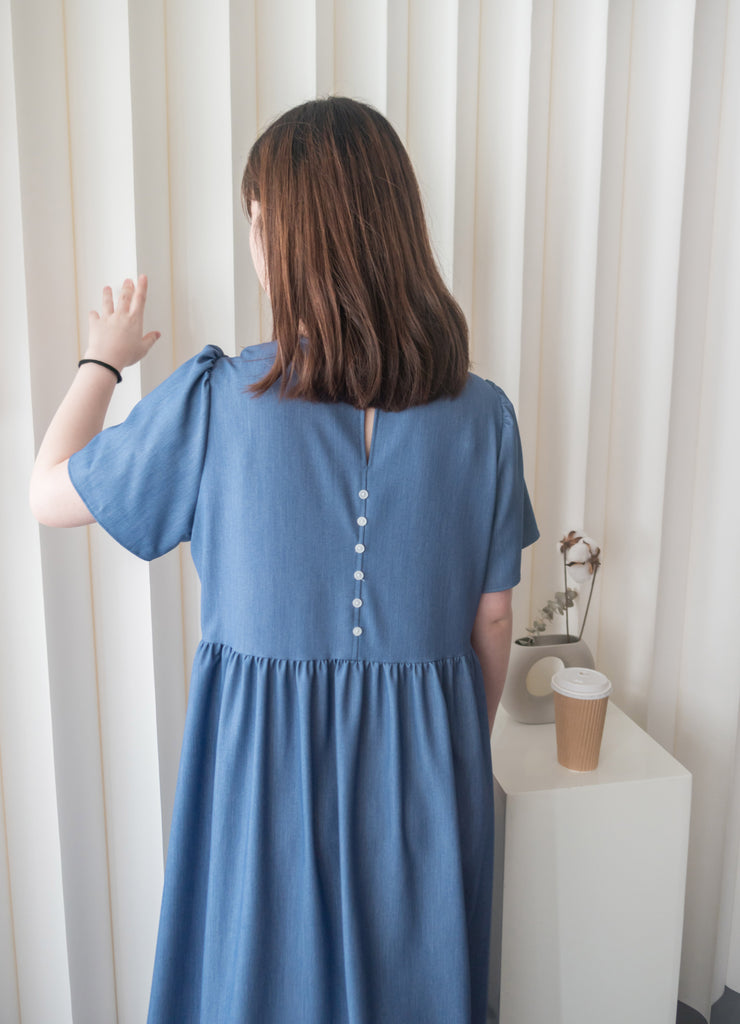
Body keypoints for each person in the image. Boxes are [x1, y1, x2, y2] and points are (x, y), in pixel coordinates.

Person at [30, 97, 538, 1024]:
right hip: (428, 773)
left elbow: (47, 492)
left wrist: (100, 362)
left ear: (277, 232)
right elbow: (493, 619)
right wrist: (449, 739)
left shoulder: (217, 401)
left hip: (264, 783)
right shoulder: (485, 417)